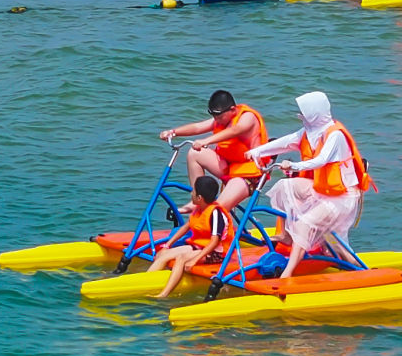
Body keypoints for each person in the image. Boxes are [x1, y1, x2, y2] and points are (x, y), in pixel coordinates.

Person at [247, 91, 372, 280]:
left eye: (304, 112)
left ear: (315, 113)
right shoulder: (309, 132)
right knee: (283, 186)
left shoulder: (335, 135)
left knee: (304, 224)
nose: (301, 115)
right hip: (322, 189)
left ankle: (288, 273)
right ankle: (287, 236)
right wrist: (257, 151)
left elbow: (321, 160)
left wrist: (294, 166)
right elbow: (285, 142)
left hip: (342, 198)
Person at [159, 90, 269, 213]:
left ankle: (212, 218)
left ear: (232, 109)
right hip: (228, 167)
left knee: (216, 211)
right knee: (194, 153)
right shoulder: (221, 118)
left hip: (248, 174)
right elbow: (198, 127)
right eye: (215, 117)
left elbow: (235, 130)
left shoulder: (248, 117)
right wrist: (173, 132)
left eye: (219, 117)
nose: (217, 120)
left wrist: (206, 141)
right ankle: (198, 198)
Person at [147, 175, 234, 298]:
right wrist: (167, 245)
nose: (191, 193)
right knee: (163, 255)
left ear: (199, 198)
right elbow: (186, 227)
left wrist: (195, 260)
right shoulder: (199, 209)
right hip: (198, 246)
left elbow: (214, 242)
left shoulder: (215, 214)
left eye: (193, 192)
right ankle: (145, 281)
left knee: (181, 258)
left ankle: (164, 294)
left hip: (215, 253)